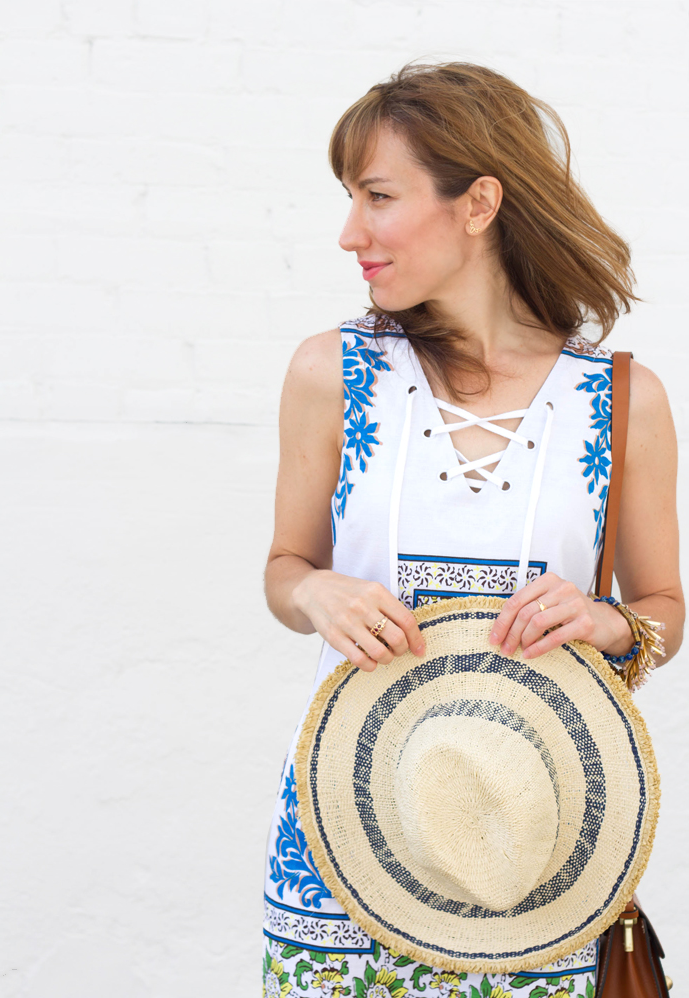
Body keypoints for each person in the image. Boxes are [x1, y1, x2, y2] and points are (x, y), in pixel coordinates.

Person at [261, 61, 684, 998]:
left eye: (377, 196)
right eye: (349, 198)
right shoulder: (330, 375)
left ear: (479, 202)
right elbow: (285, 567)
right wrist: (313, 588)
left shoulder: (620, 401)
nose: (348, 234)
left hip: (533, 845)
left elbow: (663, 607)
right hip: (346, 828)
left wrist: (607, 620)